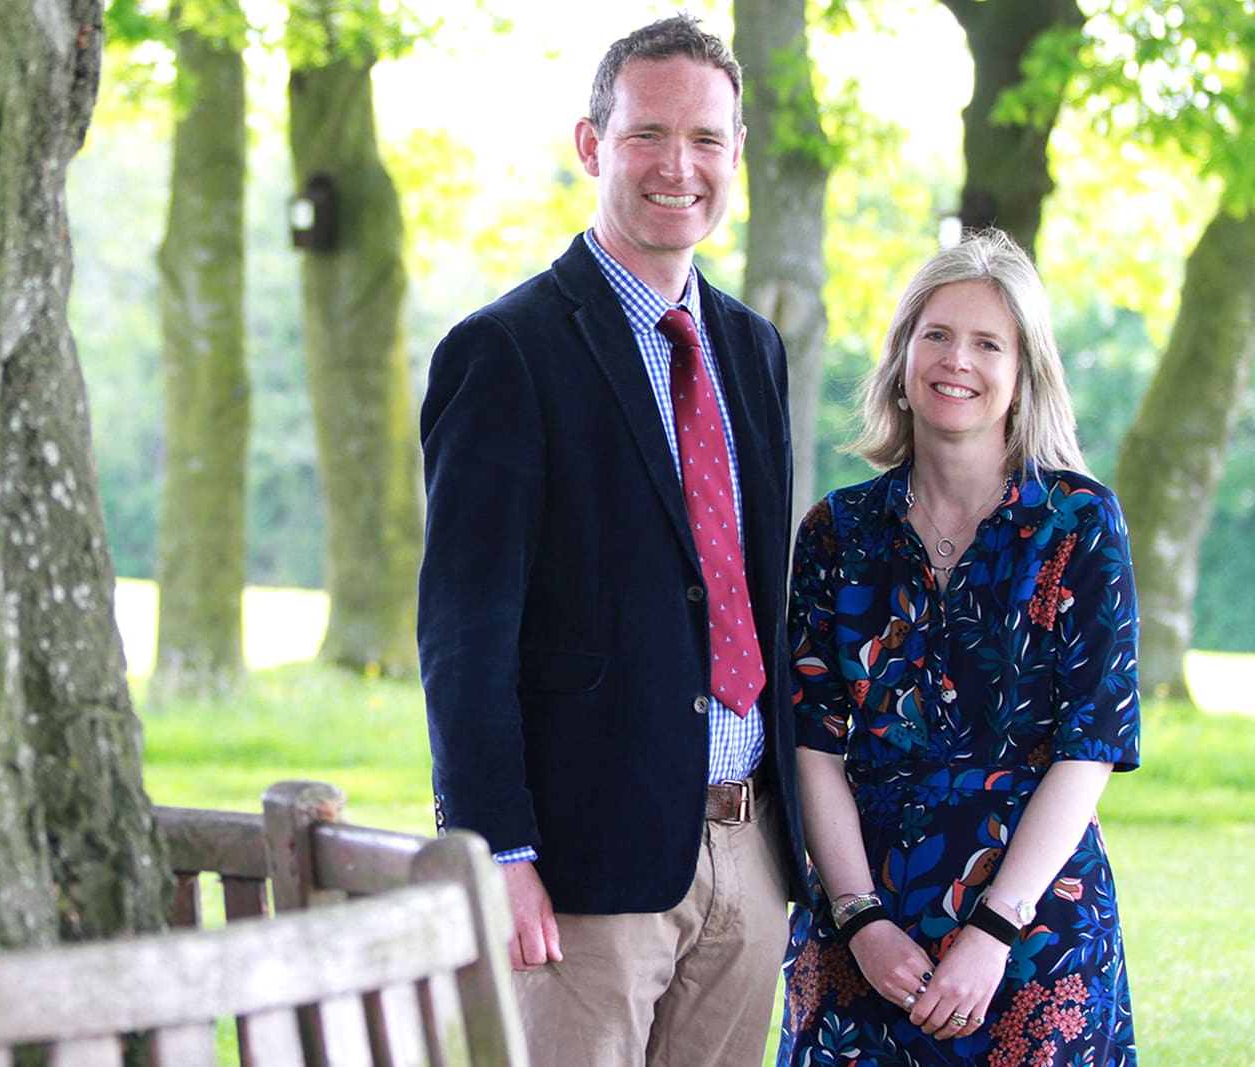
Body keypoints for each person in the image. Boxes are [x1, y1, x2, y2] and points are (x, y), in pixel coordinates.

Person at [417, 15, 808, 1067]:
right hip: (584, 868)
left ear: (734, 154)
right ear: (592, 146)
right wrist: (497, 849)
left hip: (748, 845)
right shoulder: (504, 353)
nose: (678, 166)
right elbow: (464, 630)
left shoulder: (751, 348)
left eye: (706, 139)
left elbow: (746, 590)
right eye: (647, 135)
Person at [776, 228, 1139, 1066]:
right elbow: (812, 744)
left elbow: (1090, 746)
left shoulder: (1081, 525)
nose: (957, 361)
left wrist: (994, 926)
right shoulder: (837, 531)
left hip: (1033, 934)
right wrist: (860, 917)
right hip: (861, 935)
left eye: (988, 343)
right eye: (936, 334)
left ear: (1023, 372)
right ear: (903, 355)